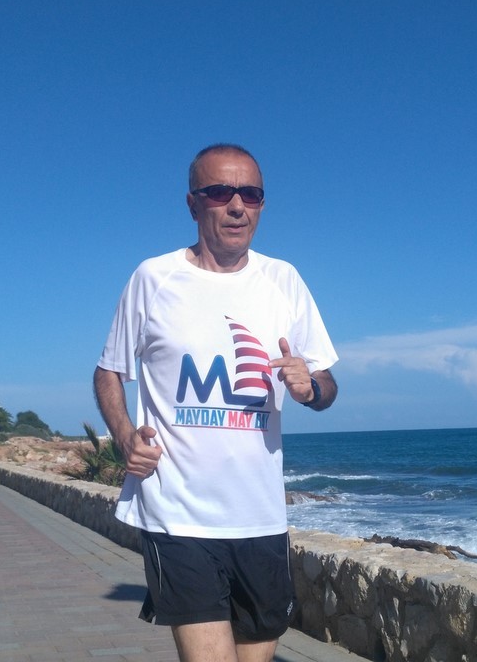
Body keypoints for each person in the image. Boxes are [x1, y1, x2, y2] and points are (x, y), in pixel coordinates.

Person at [94, 143, 338, 662]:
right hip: (177, 515)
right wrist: (124, 437)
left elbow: (326, 384)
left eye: (251, 194)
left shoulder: (284, 280)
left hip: (261, 519)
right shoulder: (154, 278)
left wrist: (310, 387)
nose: (237, 206)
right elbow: (109, 370)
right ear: (192, 204)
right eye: (220, 192)